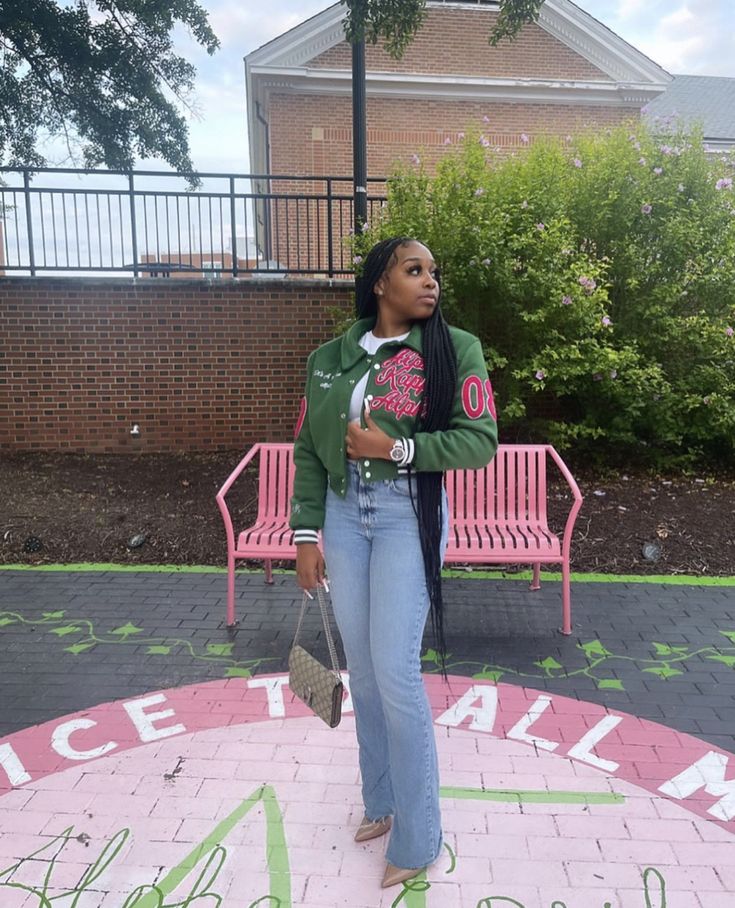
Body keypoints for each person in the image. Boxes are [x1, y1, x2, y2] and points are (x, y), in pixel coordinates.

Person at [289, 236, 498, 889]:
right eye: (414, 270)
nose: (430, 282)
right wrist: (304, 536)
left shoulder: (452, 350)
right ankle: (378, 802)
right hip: (346, 521)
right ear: (380, 282)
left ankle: (418, 832)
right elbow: (309, 452)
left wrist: (396, 447)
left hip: (408, 514)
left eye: (434, 271)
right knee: (367, 677)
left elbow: (477, 441)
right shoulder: (329, 359)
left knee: (397, 674)